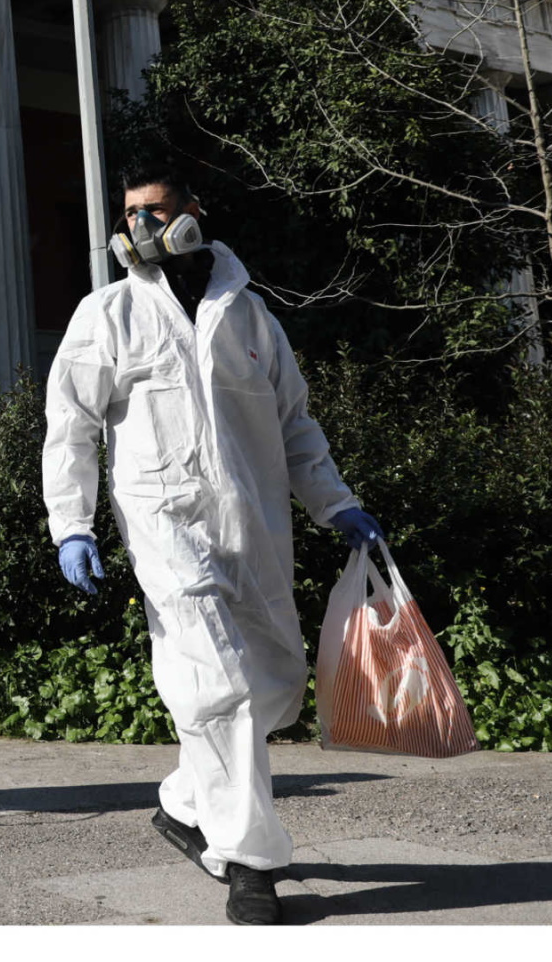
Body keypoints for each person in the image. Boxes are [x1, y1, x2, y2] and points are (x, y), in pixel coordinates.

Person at [41, 158, 385, 927]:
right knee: (215, 685)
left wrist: (338, 505)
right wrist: (71, 523)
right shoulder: (107, 316)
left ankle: (182, 802)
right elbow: (69, 429)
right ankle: (250, 863)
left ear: (194, 212)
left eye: (155, 211)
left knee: (274, 684)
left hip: (255, 528)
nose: (141, 228)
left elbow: (295, 428)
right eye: (130, 214)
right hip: (165, 528)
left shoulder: (253, 317)